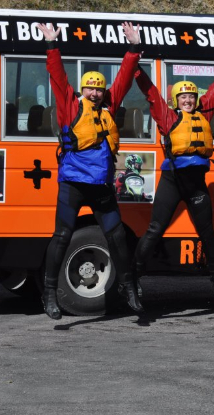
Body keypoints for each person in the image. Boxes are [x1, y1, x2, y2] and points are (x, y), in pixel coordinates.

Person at [37, 22, 144, 319]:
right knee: (62, 236)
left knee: (117, 237)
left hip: (100, 184)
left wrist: (134, 49)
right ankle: (49, 293)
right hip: (73, 181)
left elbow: (123, 79)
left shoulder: (110, 106)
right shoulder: (70, 107)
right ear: (82, 90)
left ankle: (127, 286)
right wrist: (52, 46)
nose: (95, 93)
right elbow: (57, 78)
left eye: (99, 89)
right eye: (90, 88)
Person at [132, 51, 214, 298]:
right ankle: (133, 278)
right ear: (176, 101)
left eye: (191, 97)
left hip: (196, 184)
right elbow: (151, 94)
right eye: (183, 97)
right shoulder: (168, 118)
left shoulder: (205, 114)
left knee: (207, 232)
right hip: (173, 181)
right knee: (156, 228)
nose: (188, 100)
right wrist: (136, 67)